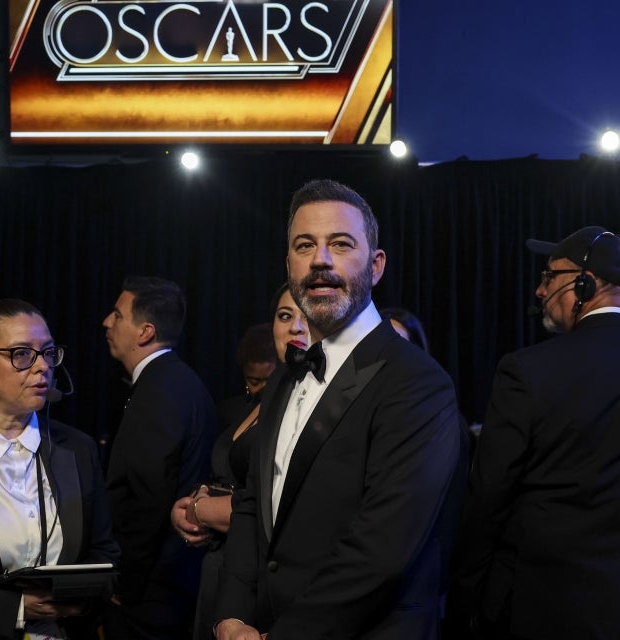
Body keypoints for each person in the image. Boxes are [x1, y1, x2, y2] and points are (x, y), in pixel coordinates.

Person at [213, 178, 464, 640]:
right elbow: (250, 505)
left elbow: (381, 550)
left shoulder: (418, 383)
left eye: (341, 244)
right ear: (289, 264)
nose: (320, 260)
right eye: (304, 245)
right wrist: (230, 615)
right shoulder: (284, 377)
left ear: (376, 265)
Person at [449, 226, 620, 639]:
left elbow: (488, 496)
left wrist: (465, 597)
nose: (540, 291)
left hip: (545, 607)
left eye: (549, 276)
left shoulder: (527, 370)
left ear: (584, 284)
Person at [171, 284, 309, 640]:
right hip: (223, 566)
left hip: (260, 577)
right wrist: (193, 502)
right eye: (284, 315)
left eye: (306, 315)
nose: (295, 326)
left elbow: (275, 507)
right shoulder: (263, 400)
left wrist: (201, 510)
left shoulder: (309, 408)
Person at [0, 298, 120, 640]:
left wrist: (79, 599)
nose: (42, 366)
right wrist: (15, 608)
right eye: (22, 354)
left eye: (47, 352)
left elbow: (105, 553)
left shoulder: (77, 449)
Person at [102, 276, 216, 640]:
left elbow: (148, 498)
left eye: (118, 315)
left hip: (150, 594)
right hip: (168, 586)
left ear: (145, 332)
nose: (107, 322)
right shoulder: (176, 381)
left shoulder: (160, 389)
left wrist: (124, 583)